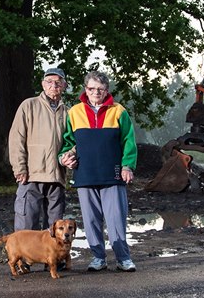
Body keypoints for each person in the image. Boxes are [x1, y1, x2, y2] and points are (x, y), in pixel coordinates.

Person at [59, 70, 137, 272]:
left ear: (106, 90)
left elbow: (129, 141)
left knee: (116, 219)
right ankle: (98, 258)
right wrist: (66, 157)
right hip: (85, 174)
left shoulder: (119, 111)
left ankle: (123, 258)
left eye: (100, 89)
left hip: (113, 173)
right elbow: (68, 142)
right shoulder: (74, 112)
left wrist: (127, 165)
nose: (95, 92)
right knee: (91, 219)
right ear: (86, 89)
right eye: (91, 88)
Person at [8, 67, 70, 232]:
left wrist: (70, 155)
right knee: (26, 229)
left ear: (64, 85)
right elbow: (16, 138)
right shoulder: (29, 105)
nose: (53, 86)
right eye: (49, 82)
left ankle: (51, 259)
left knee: (55, 232)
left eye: (58, 82)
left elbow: (72, 142)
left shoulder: (69, 112)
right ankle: (20, 258)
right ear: (43, 84)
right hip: (31, 176)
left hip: (57, 177)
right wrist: (19, 168)